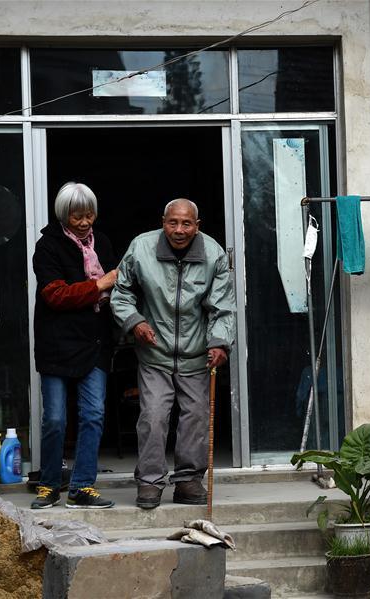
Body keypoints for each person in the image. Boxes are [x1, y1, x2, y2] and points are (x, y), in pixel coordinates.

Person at [111, 198, 235, 509]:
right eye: (172, 222)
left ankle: (188, 481)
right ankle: (150, 482)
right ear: (163, 221)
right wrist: (135, 322)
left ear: (197, 226)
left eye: (186, 224)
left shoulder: (213, 254)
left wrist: (219, 342)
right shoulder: (141, 248)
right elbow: (121, 292)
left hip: (196, 353)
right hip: (155, 353)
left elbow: (222, 306)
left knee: (194, 419)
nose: (179, 230)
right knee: (153, 417)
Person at [31, 182, 118, 509]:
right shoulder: (48, 247)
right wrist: (101, 283)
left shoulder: (104, 243)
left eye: (89, 215)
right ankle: (49, 485)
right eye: (76, 216)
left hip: (95, 343)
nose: (84, 222)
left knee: (93, 415)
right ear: (63, 216)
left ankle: (82, 486)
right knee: (54, 419)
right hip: (56, 345)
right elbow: (55, 295)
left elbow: (119, 291)